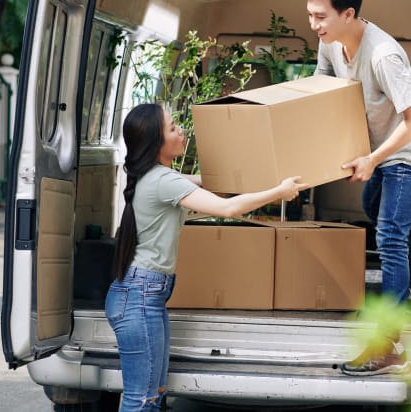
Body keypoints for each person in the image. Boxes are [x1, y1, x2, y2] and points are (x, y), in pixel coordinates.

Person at [105, 103, 307, 411]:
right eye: (173, 128)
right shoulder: (163, 180)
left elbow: (212, 182)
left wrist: (265, 174)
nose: (181, 130)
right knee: (141, 400)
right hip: (140, 295)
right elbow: (228, 208)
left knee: (153, 395)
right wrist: (278, 192)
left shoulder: (160, 176)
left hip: (144, 294)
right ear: (156, 142)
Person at [302, 0, 411, 376]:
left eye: (320, 17)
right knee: (373, 206)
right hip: (381, 149)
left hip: (410, 151)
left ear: (348, 14)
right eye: (310, 15)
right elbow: (323, 80)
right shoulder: (330, 43)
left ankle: (389, 344)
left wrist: (372, 159)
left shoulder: (383, 55)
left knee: (389, 235)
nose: (313, 25)